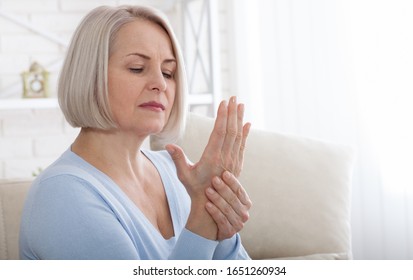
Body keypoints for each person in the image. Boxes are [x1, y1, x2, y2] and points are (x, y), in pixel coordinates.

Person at [19, 5, 252, 260]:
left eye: (168, 72)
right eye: (137, 68)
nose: (160, 84)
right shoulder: (61, 195)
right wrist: (205, 221)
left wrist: (219, 219)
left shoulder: (177, 173)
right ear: (91, 75)